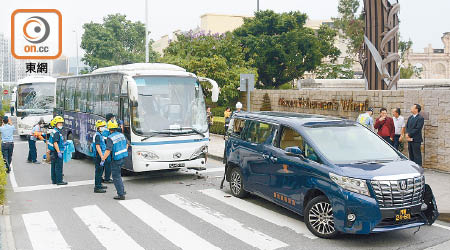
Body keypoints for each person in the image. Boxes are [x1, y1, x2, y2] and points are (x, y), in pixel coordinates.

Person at [101, 120, 128, 200]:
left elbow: (108, 150)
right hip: (123, 157)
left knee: (116, 176)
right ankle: (122, 190)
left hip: (116, 159)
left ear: (109, 129)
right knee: (118, 175)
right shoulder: (121, 135)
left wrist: (103, 158)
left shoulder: (110, 138)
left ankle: (121, 194)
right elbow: (127, 144)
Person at [48, 116, 68, 185]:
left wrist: (63, 143)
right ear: (56, 124)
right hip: (56, 152)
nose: (61, 125)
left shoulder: (54, 131)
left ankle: (54, 180)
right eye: (59, 123)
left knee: (53, 166)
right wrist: (59, 152)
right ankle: (59, 181)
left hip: (53, 152)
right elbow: (55, 143)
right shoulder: (56, 132)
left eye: (61, 123)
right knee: (58, 167)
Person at [93, 120, 108, 193]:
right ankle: (97, 187)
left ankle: (99, 184)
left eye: (104, 126)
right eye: (102, 126)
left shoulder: (99, 134)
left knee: (100, 170)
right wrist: (102, 156)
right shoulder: (98, 135)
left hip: (100, 155)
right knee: (98, 171)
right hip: (99, 156)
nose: (103, 128)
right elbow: (97, 146)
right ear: (98, 127)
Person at [101, 113, 115, 184]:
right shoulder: (108, 126)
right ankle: (107, 178)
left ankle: (101, 177)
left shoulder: (105, 125)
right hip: (106, 146)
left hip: (104, 146)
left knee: (103, 163)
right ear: (111, 118)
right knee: (108, 162)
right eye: (113, 118)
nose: (114, 119)